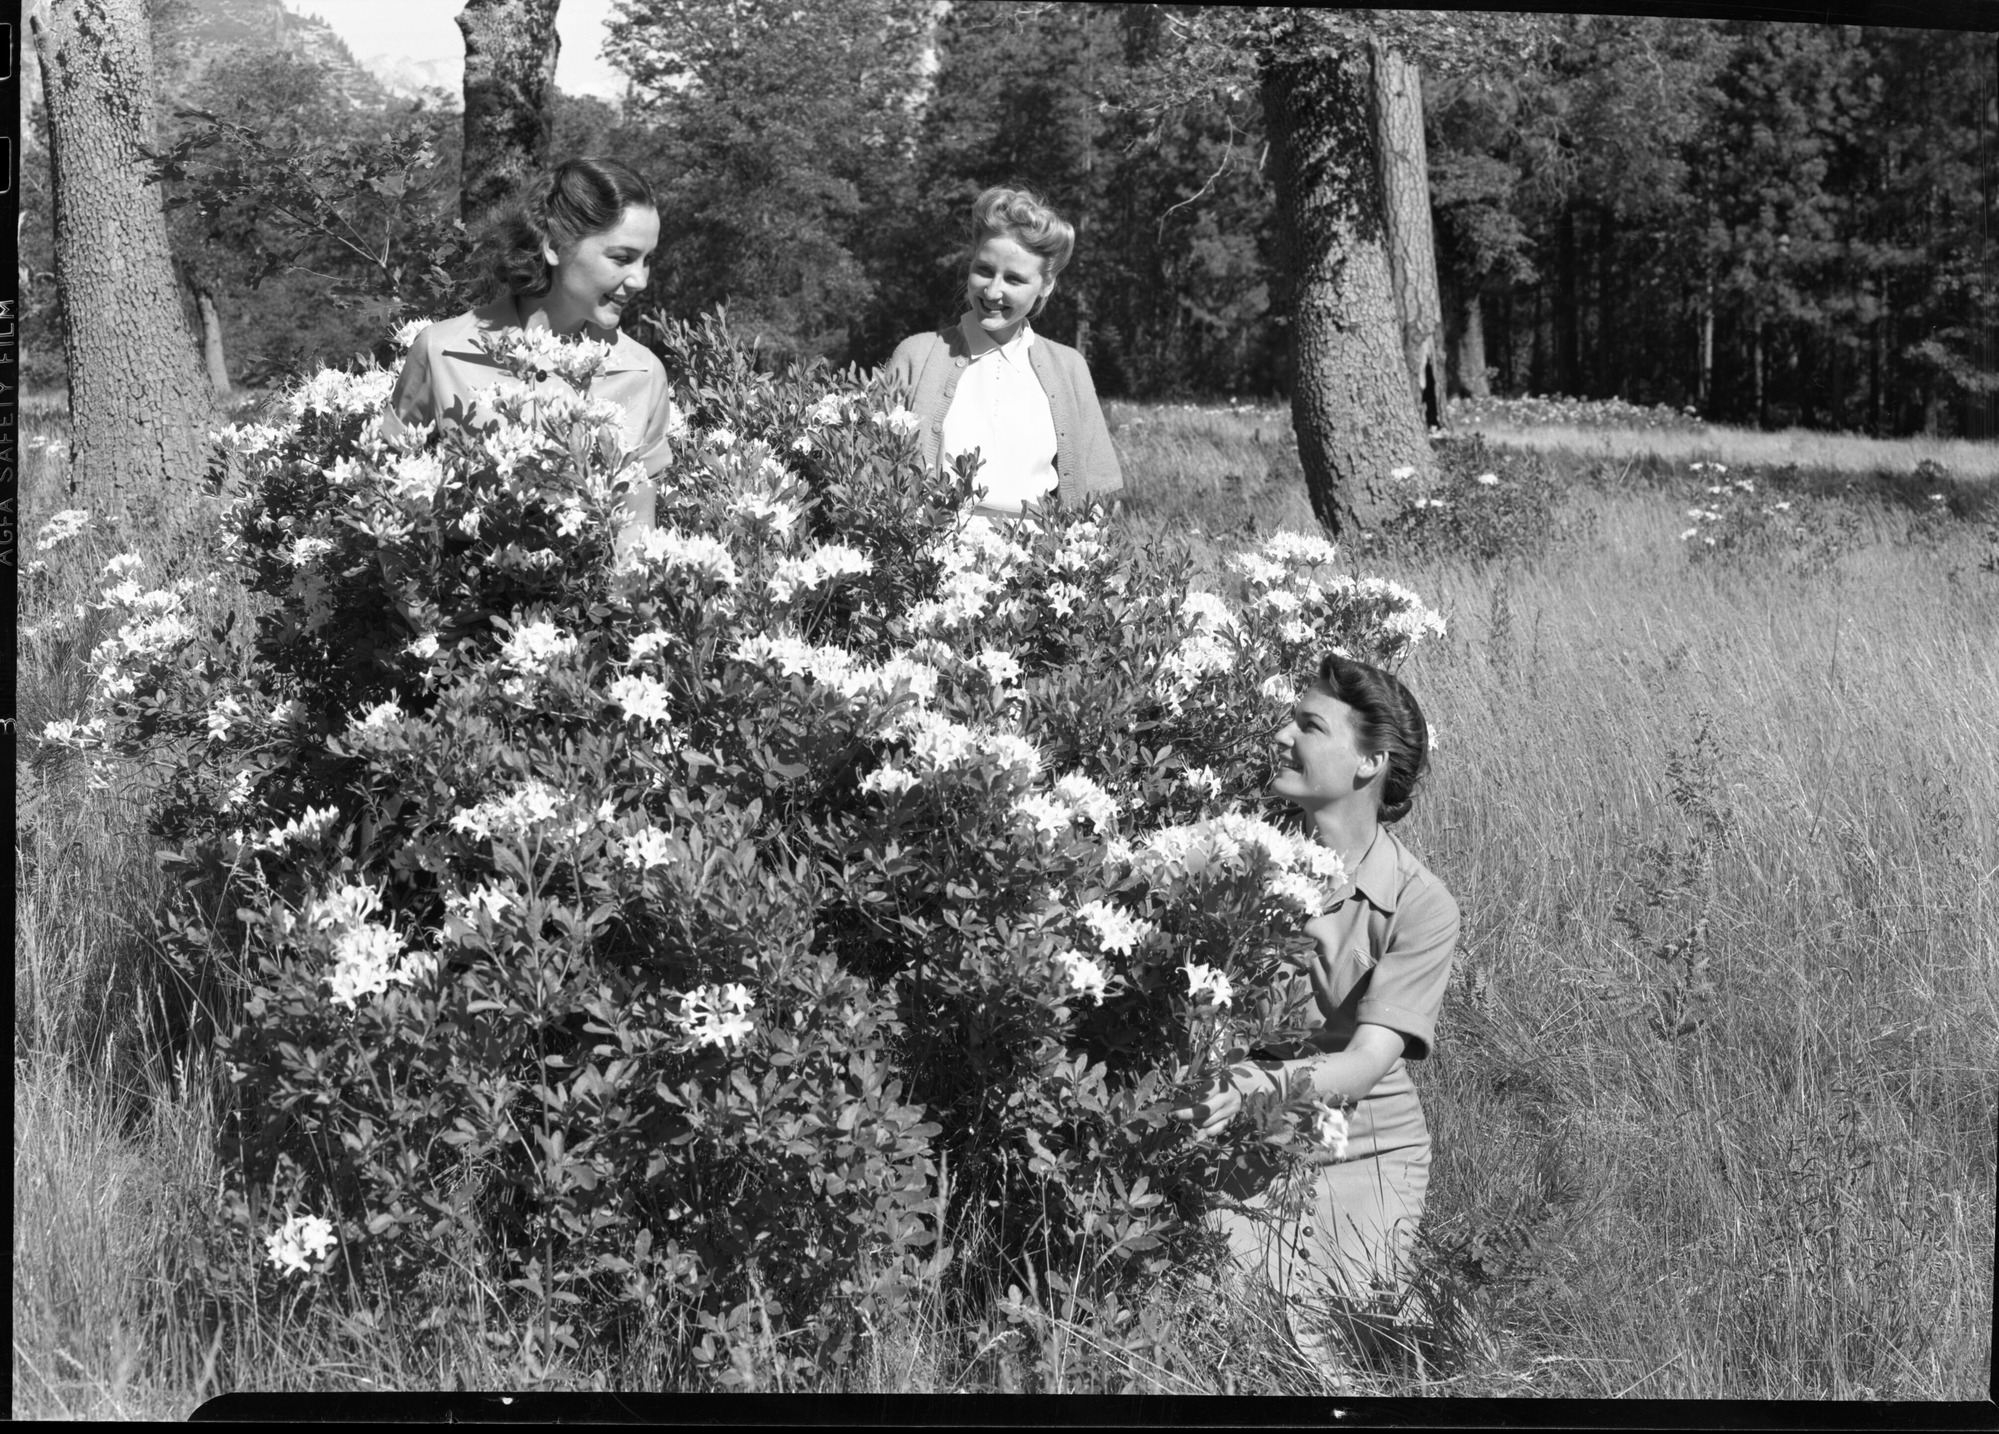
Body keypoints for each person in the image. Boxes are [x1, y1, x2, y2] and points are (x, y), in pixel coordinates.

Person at [1171, 653, 1459, 1377]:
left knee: (1333, 1356)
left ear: (1369, 763)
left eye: (1307, 724)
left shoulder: (1421, 903)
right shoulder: (1237, 860)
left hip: (1363, 1145)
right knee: (1228, 1346)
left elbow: (1366, 1064)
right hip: (1239, 1130)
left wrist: (1242, 1088)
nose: (1280, 734)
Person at [384, 157, 674, 555]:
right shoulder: (440, 350)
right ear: (555, 246)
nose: (641, 280)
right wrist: (420, 609)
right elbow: (386, 487)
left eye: (647, 260)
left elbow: (637, 526)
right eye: (622, 258)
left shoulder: (643, 373)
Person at [886, 186, 1122, 518]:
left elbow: (1098, 497)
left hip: (1037, 561)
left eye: (1013, 279)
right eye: (984, 270)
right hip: (930, 556)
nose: (993, 290)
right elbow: (875, 476)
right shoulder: (915, 356)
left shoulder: (1069, 367)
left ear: (1046, 284)